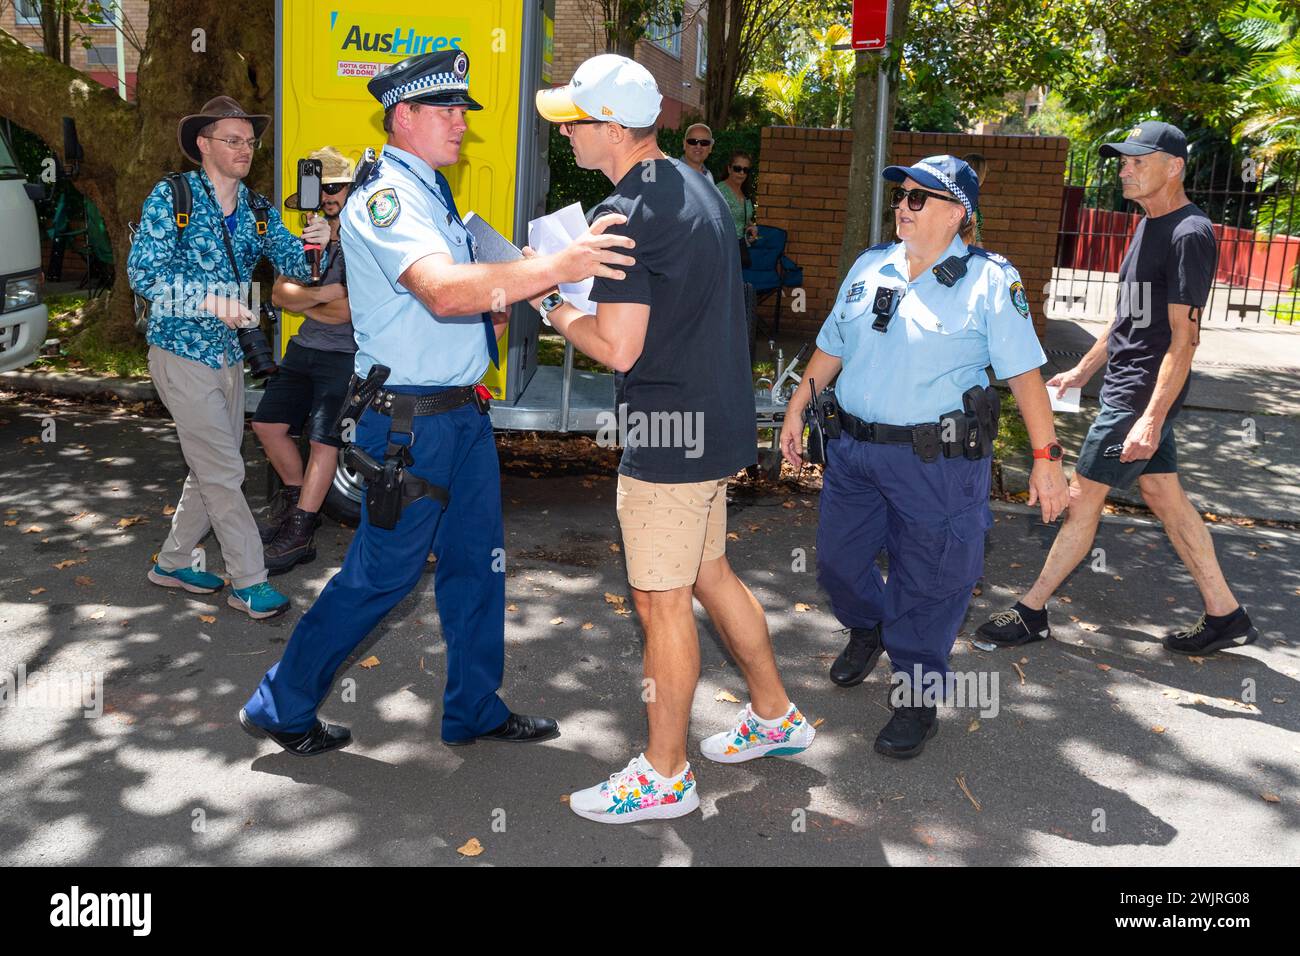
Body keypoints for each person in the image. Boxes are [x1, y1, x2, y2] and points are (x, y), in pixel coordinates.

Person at [239, 50, 636, 757]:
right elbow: (442, 289)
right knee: (381, 576)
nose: (461, 121)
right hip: (410, 424)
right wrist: (559, 266)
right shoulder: (386, 197)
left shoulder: (430, 192)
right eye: (448, 110)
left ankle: (474, 709)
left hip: (460, 414)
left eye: (462, 110)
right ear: (405, 115)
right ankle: (281, 701)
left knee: (477, 567)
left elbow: (455, 300)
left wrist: (499, 306)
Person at [534, 54, 815, 824]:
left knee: (662, 601)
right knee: (710, 576)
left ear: (615, 128)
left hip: (667, 434)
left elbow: (619, 347)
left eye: (575, 119)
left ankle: (665, 774)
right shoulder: (692, 186)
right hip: (716, 422)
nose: (566, 132)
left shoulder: (624, 210)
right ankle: (775, 715)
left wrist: (554, 309)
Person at [779, 155, 1069, 759]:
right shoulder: (869, 266)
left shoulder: (990, 280)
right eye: (901, 196)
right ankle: (869, 626)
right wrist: (797, 406)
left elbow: (1023, 373)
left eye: (918, 199)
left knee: (932, 581)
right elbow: (831, 344)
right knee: (837, 562)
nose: (902, 207)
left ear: (957, 213)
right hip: (854, 452)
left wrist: (1046, 456)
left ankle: (916, 694)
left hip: (936, 465)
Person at [977, 122, 1258, 656]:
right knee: (1162, 495)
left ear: (1173, 167)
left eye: (1136, 160)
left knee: (1082, 498)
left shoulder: (1189, 233)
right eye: (1122, 161)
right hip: (1126, 389)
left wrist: (1150, 418)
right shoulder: (1146, 224)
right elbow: (1127, 317)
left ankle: (1032, 610)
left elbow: (1185, 338)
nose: (1123, 168)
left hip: (1140, 398)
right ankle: (1226, 614)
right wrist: (1083, 370)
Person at [127, 96, 331, 620]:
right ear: (204, 144)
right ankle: (248, 579)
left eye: (250, 141)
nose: (245, 149)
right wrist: (207, 299)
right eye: (233, 140)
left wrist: (320, 241)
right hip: (180, 352)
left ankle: (172, 563)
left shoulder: (259, 210)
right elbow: (144, 276)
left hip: (230, 356)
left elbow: (301, 268)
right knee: (223, 469)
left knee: (210, 465)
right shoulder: (172, 196)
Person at [252, 146, 357, 574]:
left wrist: (304, 303)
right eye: (322, 189)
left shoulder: (363, 241)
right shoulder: (306, 238)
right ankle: (297, 506)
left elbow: (349, 312)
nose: (328, 196)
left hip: (346, 354)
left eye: (336, 187)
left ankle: (300, 529)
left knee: (322, 440)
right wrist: (321, 297)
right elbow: (278, 295)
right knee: (267, 425)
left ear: (352, 189)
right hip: (304, 349)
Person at [717, 150, 758, 267]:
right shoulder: (719, 191)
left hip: (739, 248)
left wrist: (751, 227)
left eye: (745, 170)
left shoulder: (745, 193)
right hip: (722, 250)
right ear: (729, 169)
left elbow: (741, 218)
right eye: (737, 168)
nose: (741, 173)